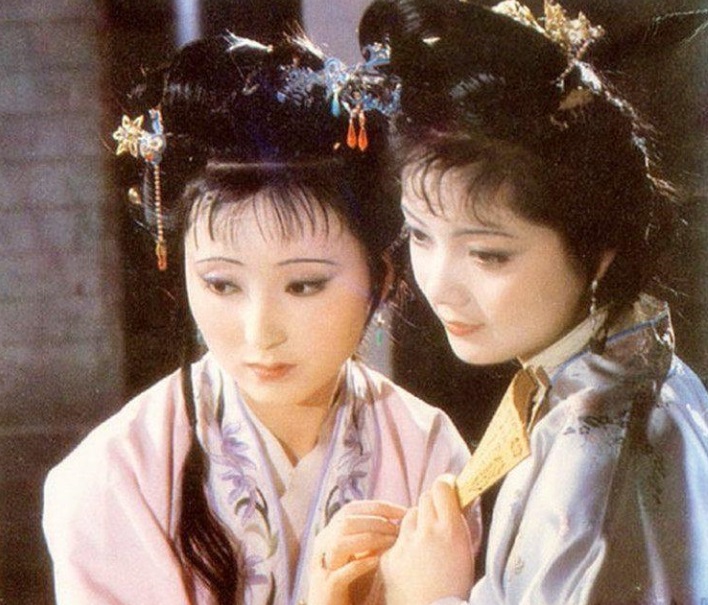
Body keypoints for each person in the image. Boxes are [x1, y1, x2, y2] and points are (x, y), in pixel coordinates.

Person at [42, 32, 478, 605]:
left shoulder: (428, 451)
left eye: (304, 285)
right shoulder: (112, 477)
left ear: (381, 279)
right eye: (221, 284)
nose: (259, 333)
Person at [357, 0, 708, 603]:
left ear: (598, 249)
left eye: (488, 255)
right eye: (420, 234)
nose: (439, 284)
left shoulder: (607, 441)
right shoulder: (591, 382)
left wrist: (430, 596)